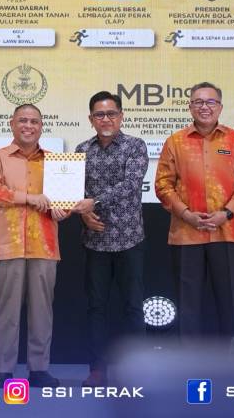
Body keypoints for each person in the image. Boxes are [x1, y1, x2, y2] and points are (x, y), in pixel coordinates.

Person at [155, 81, 234, 337]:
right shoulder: (175, 141)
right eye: (198, 102)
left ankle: (233, 356)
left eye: (210, 102)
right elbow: (163, 185)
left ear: (220, 107)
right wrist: (186, 214)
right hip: (186, 233)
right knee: (188, 306)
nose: (204, 107)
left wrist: (227, 213)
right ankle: (190, 357)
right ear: (190, 107)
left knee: (231, 304)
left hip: (229, 232)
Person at [0, 104, 68, 389]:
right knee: (7, 311)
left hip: (45, 245)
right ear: (12, 124)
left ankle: (39, 369)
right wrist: (29, 198)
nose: (28, 126)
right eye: (23, 120)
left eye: (34, 121)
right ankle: (4, 370)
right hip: (10, 244)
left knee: (42, 311)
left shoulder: (55, 162)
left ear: (41, 126)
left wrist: (63, 210)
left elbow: (63, 202)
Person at [71, 91, 148, 386]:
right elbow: (74, 190)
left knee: (133, 307)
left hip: (129, 239)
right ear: (91, 119)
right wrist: (83, 214)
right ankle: (97, 369)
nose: (106, 119)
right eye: (99, 115)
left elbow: (131, 185)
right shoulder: (81, 150)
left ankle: (137, 370)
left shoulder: (135, 146)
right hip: (96, 241)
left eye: (111, 114)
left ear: (121, 116)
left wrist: (94, 202)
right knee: (96, 308)